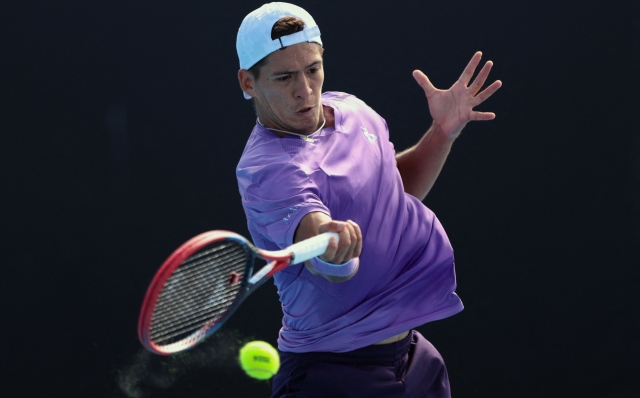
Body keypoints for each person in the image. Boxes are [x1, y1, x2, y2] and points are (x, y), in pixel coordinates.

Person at [235, 3, 501, 397]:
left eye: (312, 69)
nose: (304, 91)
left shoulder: (352, 110)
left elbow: (394, 191)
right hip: (333, 374)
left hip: (413, 358)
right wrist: (331, 244)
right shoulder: (267, 171)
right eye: (284, 77)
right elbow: (319, 242)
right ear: (248, 83)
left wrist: (442, 132)